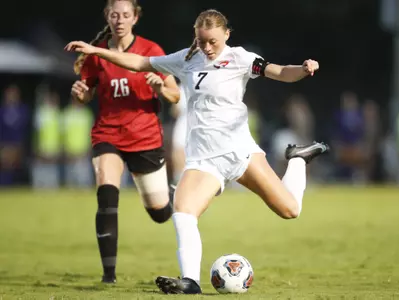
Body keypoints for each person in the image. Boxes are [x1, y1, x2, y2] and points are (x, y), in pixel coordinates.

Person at [65, 8, 329, 294]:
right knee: (183, 209)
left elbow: (279, 72)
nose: (207, 47)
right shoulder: (187, 59)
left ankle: (298, 160)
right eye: (202, 41)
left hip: (240, 153)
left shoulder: (240, 58)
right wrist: (96, 50)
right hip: (204, 161)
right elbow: (140, 62)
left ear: (226, 34)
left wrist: (302, 70)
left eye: (213, 41)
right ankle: (190, 281)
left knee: (290, 210)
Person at [69, 0, 180, 284]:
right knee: (106, 191)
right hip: (108, 135)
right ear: (107, 17)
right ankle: (109, 276)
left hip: (145, 138)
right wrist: (80, 93)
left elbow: (175, 95)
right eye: (114, 14)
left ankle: (175, 194)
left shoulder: (151, 50)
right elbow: (86, 96)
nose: (119, 20)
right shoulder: (97, 55)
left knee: (159, 214)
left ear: (135, 18)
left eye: (125, 15)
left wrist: (160, 87)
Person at [169, 82, 188, 186]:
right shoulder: (181, 87)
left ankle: (180, 179)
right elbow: (175, 111)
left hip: (187, 123)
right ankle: (179, 179)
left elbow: (174, 111)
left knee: (179, 152)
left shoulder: (182, 87)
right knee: (178, 152)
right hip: (183, 123)